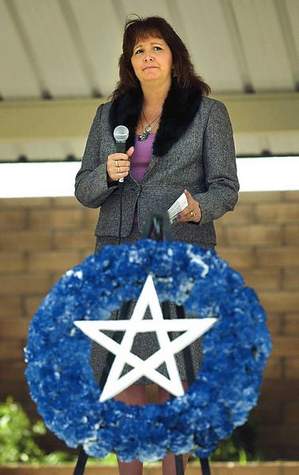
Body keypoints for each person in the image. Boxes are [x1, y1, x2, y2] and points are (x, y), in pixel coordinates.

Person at [75, 15, 239, 475]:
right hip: (117, 257)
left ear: (174, 56)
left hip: (179, 255)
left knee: (173, 376)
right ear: (129, 62)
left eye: (156, 48)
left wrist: (197, 208)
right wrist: (107, 173)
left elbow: (226, 188)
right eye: (138, 51)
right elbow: (85, 190)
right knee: (121, 370)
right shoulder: (107, 117)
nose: (147, 57)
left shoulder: (209, 114)